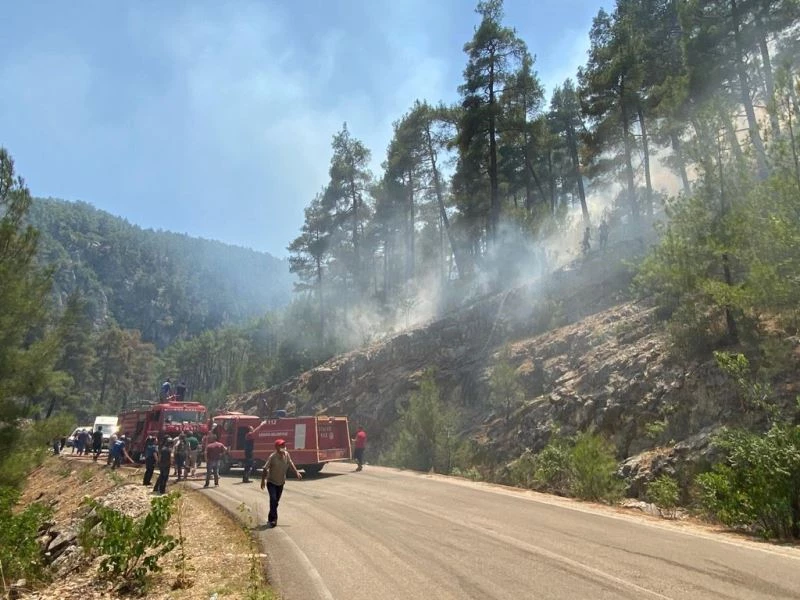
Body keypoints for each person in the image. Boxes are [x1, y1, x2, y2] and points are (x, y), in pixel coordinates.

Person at [260, 439, 302, 527]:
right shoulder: (272, 457)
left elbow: (290, 463)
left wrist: (296, 472)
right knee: (273, 499)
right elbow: (265, 469)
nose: (283, 447)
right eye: (281, 446)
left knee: (276, 502)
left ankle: (270, 517)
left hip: (281, 482)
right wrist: (263, 481)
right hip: (271, 482)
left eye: (284, 445)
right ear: (276, 447)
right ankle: (274, 520)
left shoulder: (287, 455)